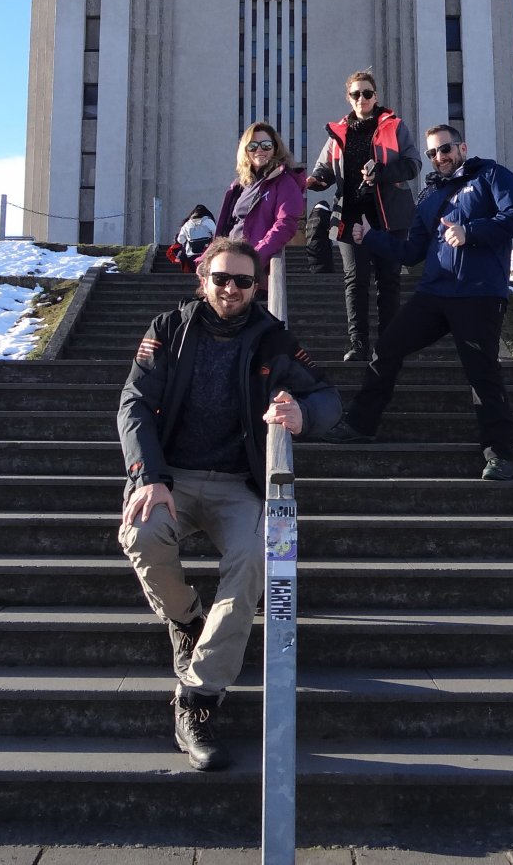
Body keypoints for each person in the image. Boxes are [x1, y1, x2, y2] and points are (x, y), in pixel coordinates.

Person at [118, 237, 341, 770]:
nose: (232, 289)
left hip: (237, 485)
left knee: (257, 556)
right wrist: (149, 476)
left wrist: (301, 413)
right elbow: (133, 402)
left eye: (243, 280)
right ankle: (188, 620)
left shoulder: (273, 340)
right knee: (143, 535)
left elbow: (328, 396)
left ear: (257, 285)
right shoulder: (169, 329)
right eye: (222, 278)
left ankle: (197, 698)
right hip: (169, 477)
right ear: (203, 278)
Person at [323, 125, 513, 481]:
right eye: (432, 153)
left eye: (445, 149)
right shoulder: (430, 194)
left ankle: (500, 455)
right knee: (387, 347)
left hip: (478, 293)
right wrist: (371, 238)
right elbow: (410, 253)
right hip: (433, 293)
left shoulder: (492, 176)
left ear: (462, 147)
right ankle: (360, 423)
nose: (439, 158)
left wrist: (471, 231)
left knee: (482, 374)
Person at [309, 72, 422, 360]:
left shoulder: (394, 126)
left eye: (367, 93)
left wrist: (382, 173)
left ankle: (388, 344)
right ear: (348, 98)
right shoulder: (338, 132)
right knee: (355, 279)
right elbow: (324, 172)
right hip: (350, 213)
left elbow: (413, 165)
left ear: (376, 96)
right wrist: (314, 181)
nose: (362, 99)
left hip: (390, 215)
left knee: (389, 280)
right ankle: (357, 344)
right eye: (356, 94)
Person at [210, 122, 307, 285]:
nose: (259, 150)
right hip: (229, 265)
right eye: (252, 146)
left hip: (254, 272)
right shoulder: (239, 185)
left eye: (266, 145)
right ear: (245, 150)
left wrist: (255, 257)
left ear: (275, 148)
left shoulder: (284, 181)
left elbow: (285, 223)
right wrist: (207, 259)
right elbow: (223, 229)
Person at [168, 203, 216, 272]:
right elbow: (217, 234)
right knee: (206, 271)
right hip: (206, 252)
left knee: (193, 271)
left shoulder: (187, 224)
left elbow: (180, 240)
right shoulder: (209, 221)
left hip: (191, 253)